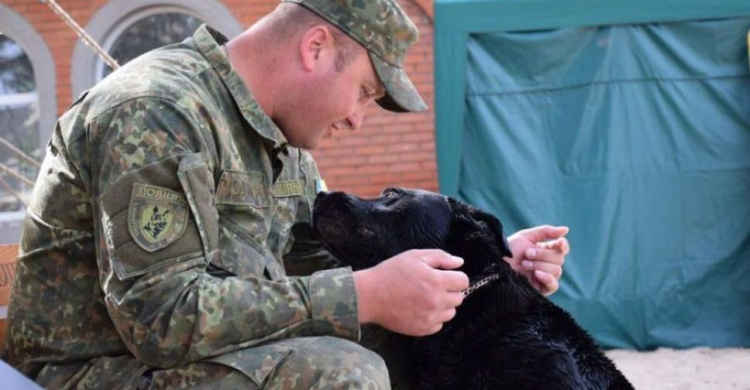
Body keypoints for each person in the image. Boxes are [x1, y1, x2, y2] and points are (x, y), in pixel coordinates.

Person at [2, 0, 570, 388]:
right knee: (342, 373)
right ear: (316, 47)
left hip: (192, 357)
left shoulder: (281, 141)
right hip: (92, 369)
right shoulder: (158, 113)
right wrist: (364, 296)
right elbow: (160, 319)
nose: (357, 120)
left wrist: (482, 267)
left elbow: (312, 263)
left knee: (420, 342)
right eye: (365, 93)